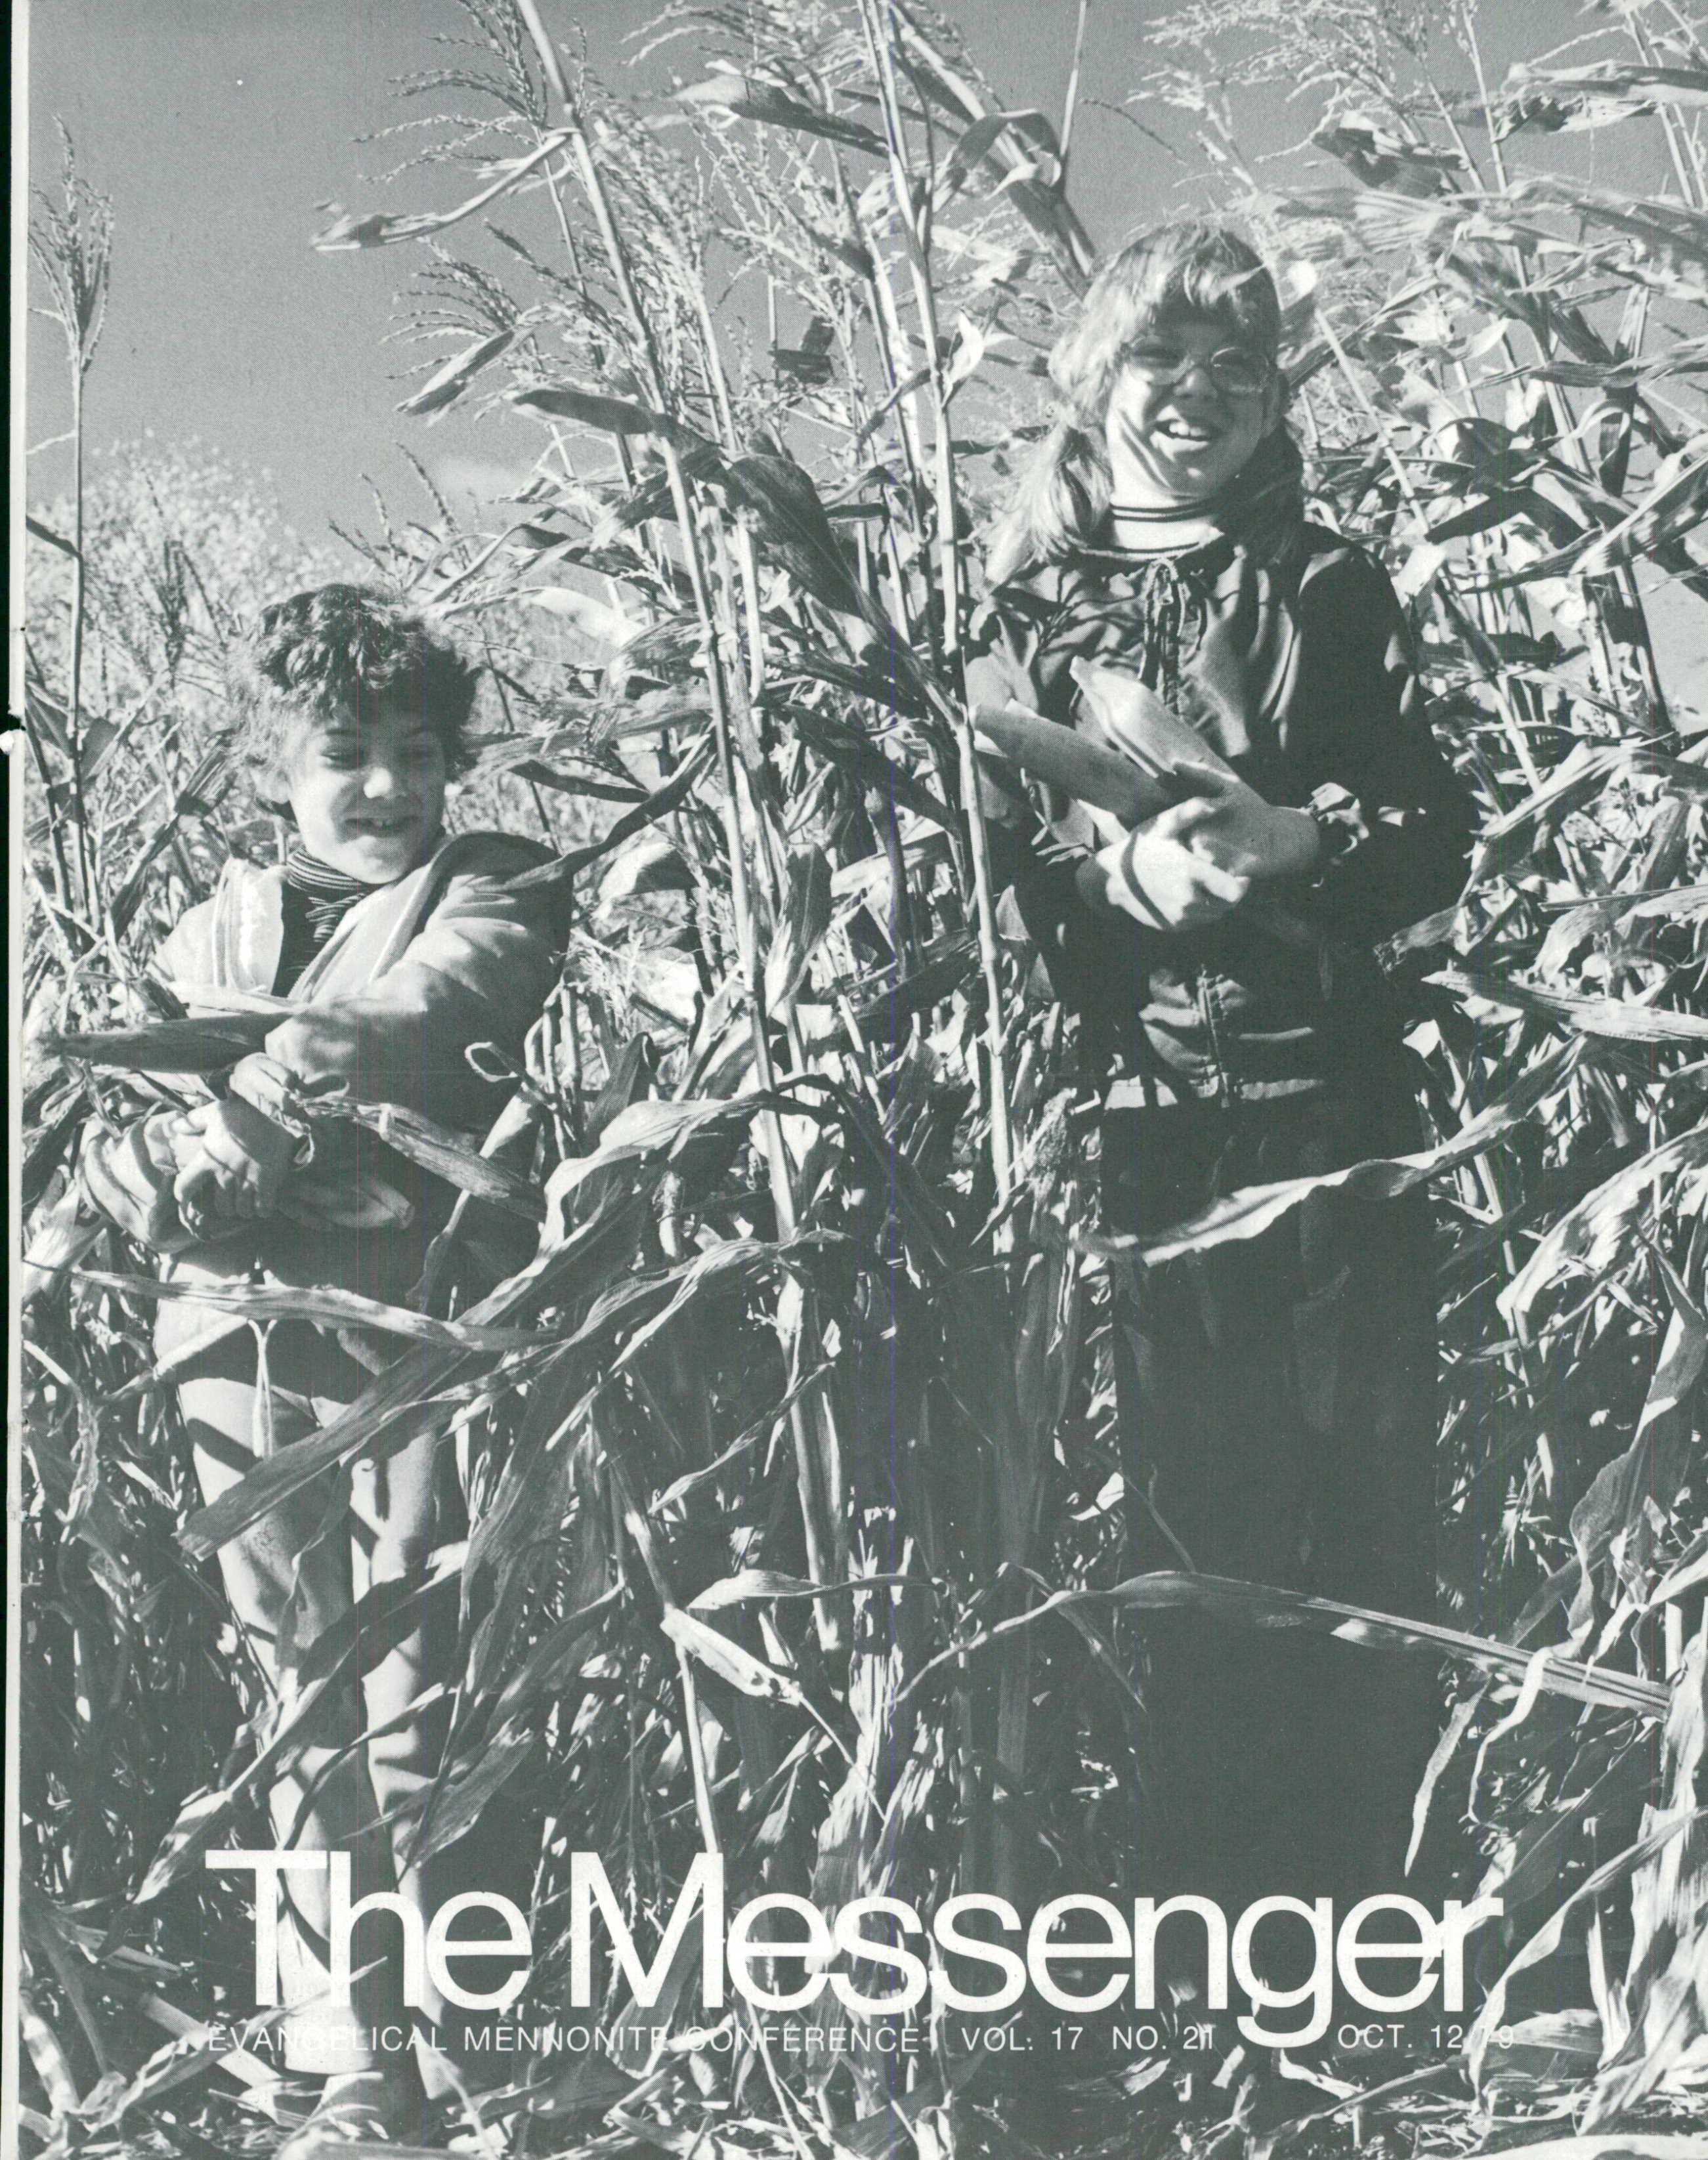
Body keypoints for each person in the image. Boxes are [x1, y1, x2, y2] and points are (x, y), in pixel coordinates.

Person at [968, 226, 1474, 1962]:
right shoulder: (1027, 619)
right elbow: (1001, 878)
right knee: (1203, 1522)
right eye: (1160, 357)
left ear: (1275, 403)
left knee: (1367, 1506)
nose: (1196, 393)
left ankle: (1377, 1934)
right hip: (1157, 1119)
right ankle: (1220, 1944)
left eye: (1237, 366)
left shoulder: (1326, 584)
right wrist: (1120, 884)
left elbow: (1430, 825)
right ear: (1091, 377)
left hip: (1339, 1106)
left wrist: (1291, 838)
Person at [79, 584, 560, 2146]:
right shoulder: (200, 929)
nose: (386, 783)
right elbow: (115, 1109)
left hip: (407, 1322)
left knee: (418, 1664)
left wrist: (260, 1103)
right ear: (273, 763)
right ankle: (342, 2051)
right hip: (229, 1325)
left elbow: (432, 1004)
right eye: (346, 750)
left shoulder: (495, 881)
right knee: (294, 1677)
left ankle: (448, 2038)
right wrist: (141, 1165)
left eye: (416, 749)